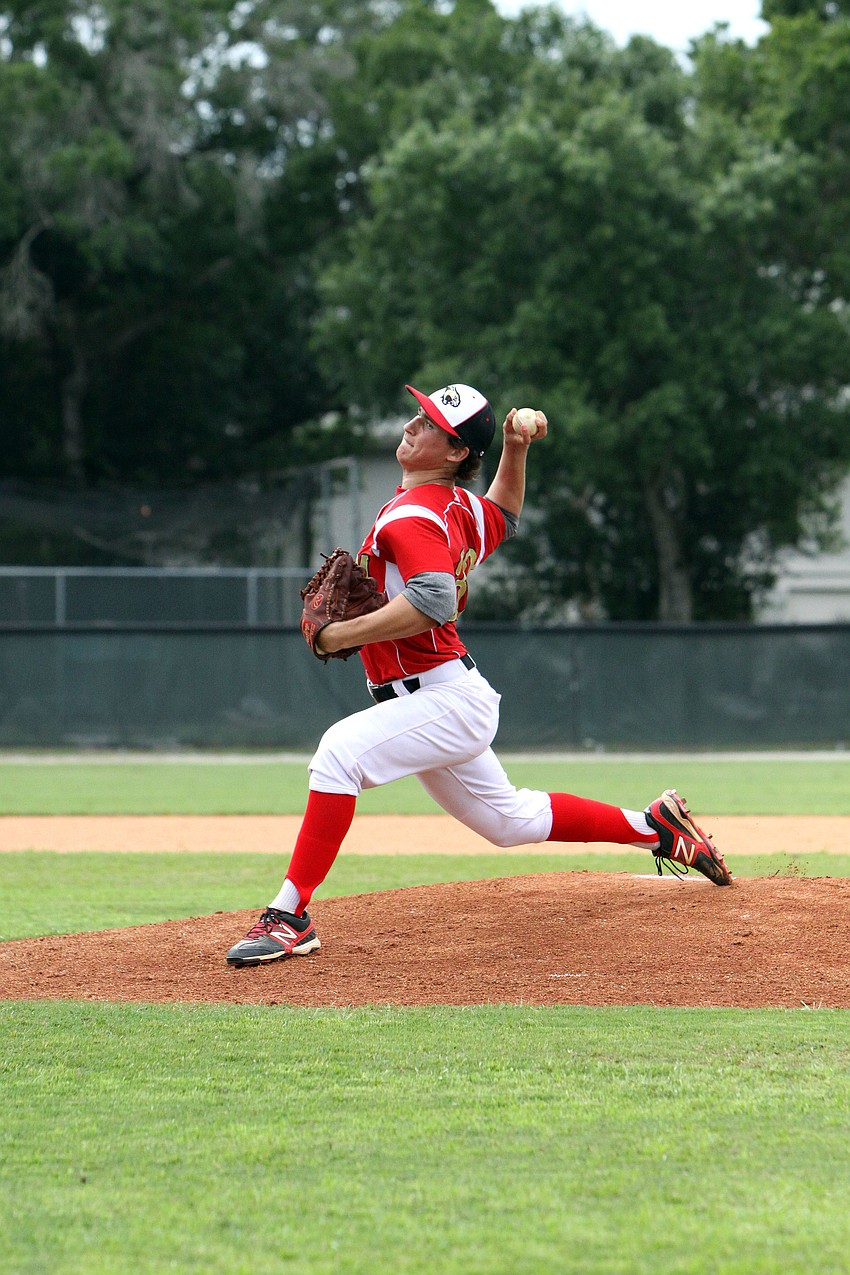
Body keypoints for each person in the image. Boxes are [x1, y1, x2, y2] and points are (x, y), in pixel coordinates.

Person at [226, 382, 731, 967]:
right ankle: (659, 828)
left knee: (339, 752)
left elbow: (433, 600)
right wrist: (517, 448)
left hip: (442, 696)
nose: (414, 424)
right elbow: (507, 516)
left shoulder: (415, 514)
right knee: (508, 821)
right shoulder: (455, 507)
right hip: (444, 695)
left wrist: (337, 636)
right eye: (418, 413)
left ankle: (289, 916)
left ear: (455, 452)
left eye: (430, 423)